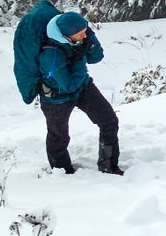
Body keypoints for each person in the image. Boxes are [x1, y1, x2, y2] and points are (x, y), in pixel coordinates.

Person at [39, 11, 120, 175]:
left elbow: (96, 57)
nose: (84, 36)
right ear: (67, 35)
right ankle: (62, 172)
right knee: (58, 136)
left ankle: (109, 166)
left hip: (83, 87)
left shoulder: (79, 39)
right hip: (57, 97)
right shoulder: (51, 53)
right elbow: (68, 85)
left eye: (85, 31)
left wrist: (91, 39)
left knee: (109, 121)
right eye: (80, 33)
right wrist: (79, 59)